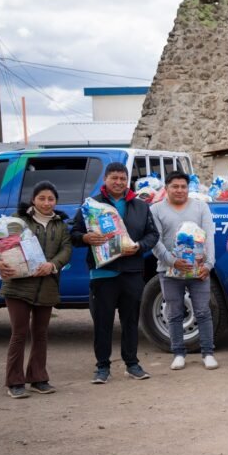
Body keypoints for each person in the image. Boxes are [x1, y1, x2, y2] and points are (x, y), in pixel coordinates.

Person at [71, 162, 159, 383]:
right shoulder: (91, 206)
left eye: (122, 178)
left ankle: (132, 364)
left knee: (130, 320)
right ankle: (102, 367)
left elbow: (153, 235)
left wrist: (139, 246)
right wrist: (85, 238)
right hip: (103, 272)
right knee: (103, 321)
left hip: (132, 270)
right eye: (114, 178)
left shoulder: (140, 206)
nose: (119, 182)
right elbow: (73, 234)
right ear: (105, 180)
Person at [0, 181, 72, 398]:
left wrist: (52, 265)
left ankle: (38, 378)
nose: (46, 203)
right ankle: (14, 382)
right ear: (33, 200)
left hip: (47, 284)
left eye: (50, 199)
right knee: (19, 333)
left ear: (56, 202)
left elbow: (66, 248)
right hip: (17, 285)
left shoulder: (60, 224)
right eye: (41, 198)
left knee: (40, 334)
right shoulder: (17, 220)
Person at [150, 171, 219, 371]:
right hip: (169, 270)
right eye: (175, 186)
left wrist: (208, 265)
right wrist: (172, 262)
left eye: (183, 186)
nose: (180, 190)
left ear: (188, 188)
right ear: (167, 188)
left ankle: (208, 353)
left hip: (199, 271)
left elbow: (209, 237)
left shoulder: (200, 207)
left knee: (203, 311)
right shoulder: (156, 209)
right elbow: (156, 241)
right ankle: (178, 353)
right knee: (174, 313)